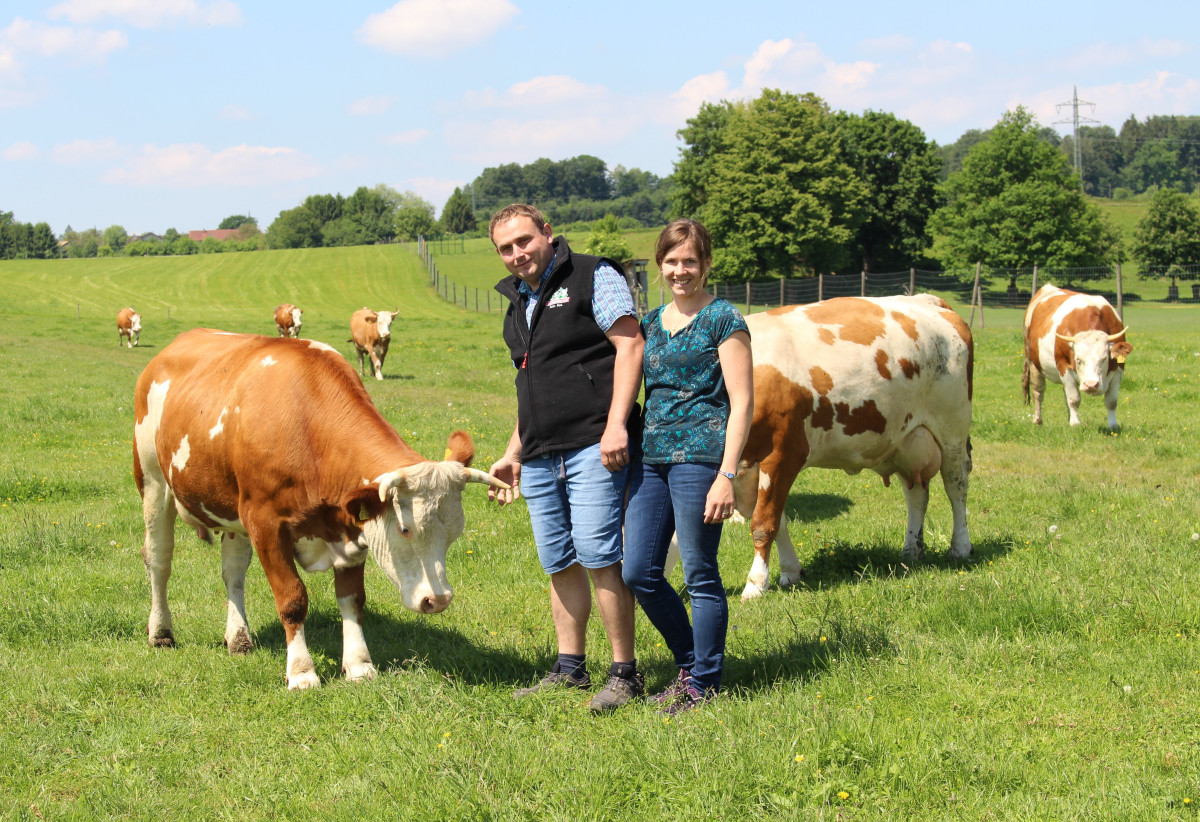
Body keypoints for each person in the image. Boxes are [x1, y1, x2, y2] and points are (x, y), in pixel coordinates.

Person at [487, 203, 646, 713]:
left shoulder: (593, 275)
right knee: (559, 561)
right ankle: (570, 668)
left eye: (524, 241)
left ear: (547, 235)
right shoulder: (517, 302)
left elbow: (630, 346)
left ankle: (625, 674)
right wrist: (514, 452)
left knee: (600, 556)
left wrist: (617, 424)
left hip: (592, 446)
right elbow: (530, 386)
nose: (516, 254)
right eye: (505, 248)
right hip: (538, 456)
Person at [622, 218, 753, 714]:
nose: (681, 270)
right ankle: (688, 663)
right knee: (640, 571)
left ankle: (705, 683)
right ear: (660, 266)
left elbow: (742, 402)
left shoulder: (724, 319)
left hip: (701, 460)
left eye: (691, 261)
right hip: (651, 460)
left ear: (706, 265)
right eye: (672, 261)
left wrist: (727, 475)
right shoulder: (651, 323)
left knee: (699, 572)